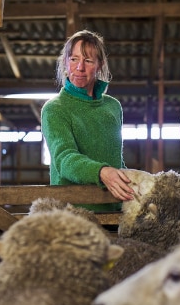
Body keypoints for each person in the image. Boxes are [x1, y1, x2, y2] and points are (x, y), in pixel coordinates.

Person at [41, 30, 134, 212]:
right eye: (74, 59)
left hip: (114, 210)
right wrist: (101, 172)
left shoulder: (112, 107)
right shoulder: (55, 109)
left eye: (88, 60)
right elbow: (64, 158)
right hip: (73, 213)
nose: (80, 67)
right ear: (66, 62)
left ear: (100, 65)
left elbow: (116, 160)